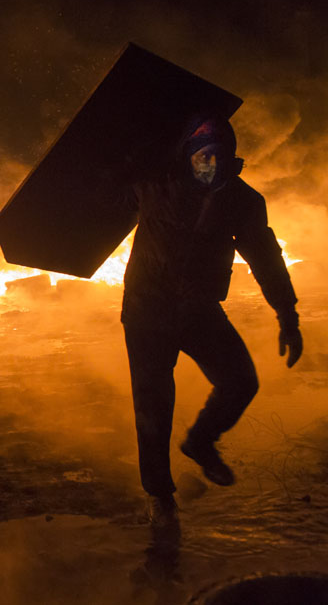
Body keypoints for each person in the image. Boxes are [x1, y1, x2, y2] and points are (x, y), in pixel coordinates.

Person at [120, 115, 302, 524]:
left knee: (240, 381)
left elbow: (265, 257)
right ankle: (160, 495)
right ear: (187, 156)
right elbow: (107, 189)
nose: (211, 166)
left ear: (232, 160)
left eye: (220, 157)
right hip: (147, 311)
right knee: (152, 407)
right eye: (204, 156)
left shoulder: (244, 201)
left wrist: (287, 313)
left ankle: (201, 442)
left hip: (198, 309)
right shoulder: (153, 182)